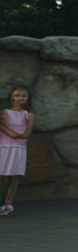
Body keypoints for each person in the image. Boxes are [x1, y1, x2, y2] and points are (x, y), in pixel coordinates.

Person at [0, 86, 32, 216]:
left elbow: (27, 133)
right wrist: (16, 135)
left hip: (20, 149)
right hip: (5, 148)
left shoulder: (28, 115)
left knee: (15, 177)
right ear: (12, 97)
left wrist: (17, 135)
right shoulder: (5, 113)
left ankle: (8, 203)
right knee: (2, 177)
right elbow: (6, 130)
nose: (20, 98)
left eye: (23, 96)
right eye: (17, 95)